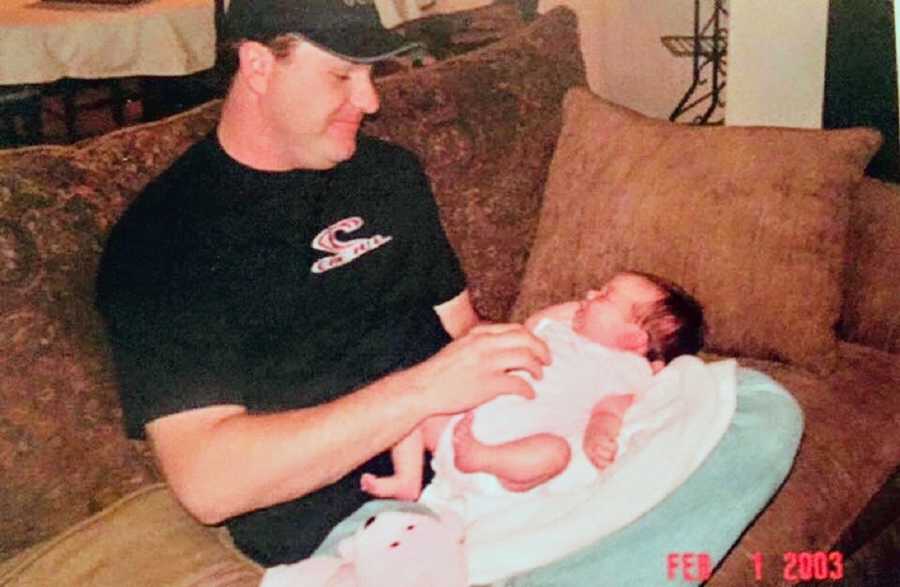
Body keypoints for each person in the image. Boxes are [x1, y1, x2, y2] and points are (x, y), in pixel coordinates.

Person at [93, 0, 555, 567]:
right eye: (342, 75)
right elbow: (209, 486)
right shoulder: (164, 240)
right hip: (360, 527)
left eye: (370, 74)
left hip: (483, 464)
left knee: (692, 421)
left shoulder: (388, 173)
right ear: (259, 67)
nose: (371, 101)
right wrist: (425, 391)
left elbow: (463, 329)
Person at [361, 271, 705, 500]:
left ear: (633, 338)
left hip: (507, 461)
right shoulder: (560, 332)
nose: (589, 293)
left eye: (605, 296)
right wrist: (579, 312)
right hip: (457, 425)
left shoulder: (625, 369)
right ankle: (407, 479)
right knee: (419, 396)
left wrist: (598, 434)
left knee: (555, 453)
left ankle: (482, 457)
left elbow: (611, 410)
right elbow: (533, 325)